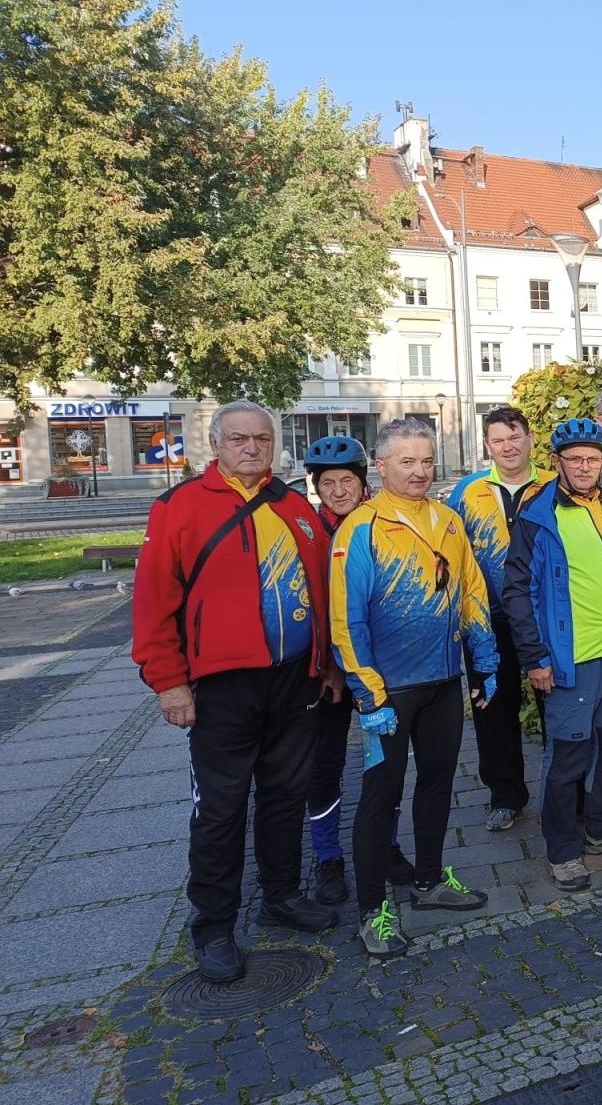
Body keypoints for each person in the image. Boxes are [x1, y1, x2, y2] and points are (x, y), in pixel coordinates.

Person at [132, 401, 336, 984]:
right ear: (216, 444)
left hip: (294, 677)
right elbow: (152, 602)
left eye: (262, 439)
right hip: (222, 686)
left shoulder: (293, 505)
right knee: (220, 810)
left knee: (284, 796)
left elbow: (319, 590)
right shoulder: (180, 507)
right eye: (239, 438)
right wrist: (169, 682)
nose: (252, 448)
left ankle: (281, 896)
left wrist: (325, 664)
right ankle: (214, 926)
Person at [331, 417, 498, 958]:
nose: (420, 471)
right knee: (379, 798)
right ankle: (372, 911)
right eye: (407, 461)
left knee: (437, 783)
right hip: (390, 693)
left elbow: (471, 591)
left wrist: (485, 660)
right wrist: (367, 693)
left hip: (443, 682)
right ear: (380, 467)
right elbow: (346, 619)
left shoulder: (447, 520)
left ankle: (428, 881)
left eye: (427, 460)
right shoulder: (361, 528)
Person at [504, 419, 602, 892]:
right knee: (568, 757)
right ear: (557, 462)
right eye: (575, 459)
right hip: (573, 660)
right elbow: (517, 592)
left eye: (593, 459)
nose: (585, 467)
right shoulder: (538, 516)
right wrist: (535, 658)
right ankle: (563, 850)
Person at [302, 436, 415, 907]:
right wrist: (329, 666)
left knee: (386, 761)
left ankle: (386, 844)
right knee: (324, 764)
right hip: (327, 674)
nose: (338, 491)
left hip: (380, 668)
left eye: (346, 481)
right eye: (327, 483)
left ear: (363, 482)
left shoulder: (378, 523)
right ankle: (327, 857)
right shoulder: (308, 531)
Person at [446, 406, 554, 833]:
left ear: (530, 438)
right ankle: (505, 796)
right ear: (487, 445)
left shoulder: (553, 486)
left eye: (514, 437)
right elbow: (450, 553)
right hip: (486, 622)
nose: (508, 447)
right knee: (492, 710)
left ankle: (565, 791)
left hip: (545, 619)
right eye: (498, 440)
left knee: (556, 706)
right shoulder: (467, 491)